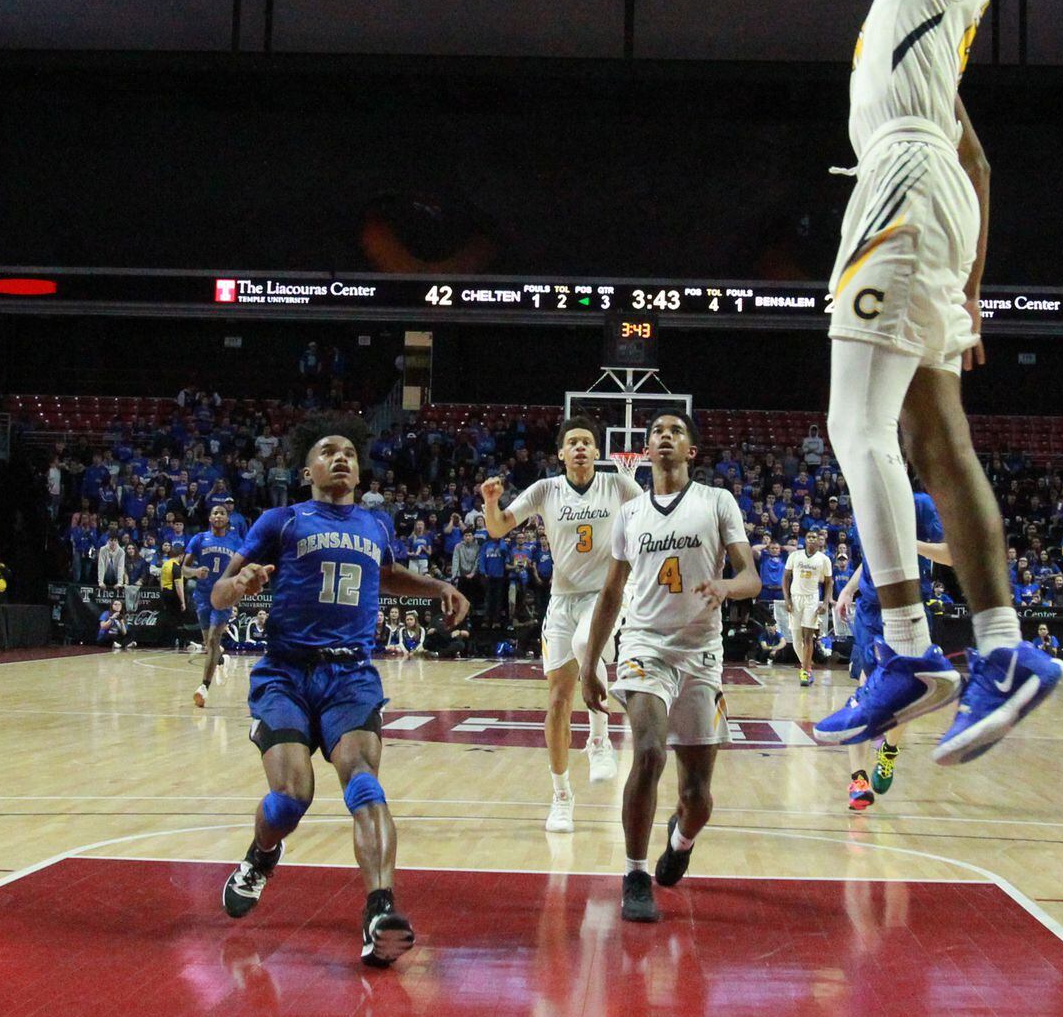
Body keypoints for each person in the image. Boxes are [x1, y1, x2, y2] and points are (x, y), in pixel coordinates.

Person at [815, 0, 1063, 765]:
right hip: (930, 186)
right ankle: (1000, 646)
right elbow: (979, 160)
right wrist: (969, 302)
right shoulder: (926, 19)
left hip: (900, 186)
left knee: (852, 420)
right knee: (933, 437)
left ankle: (904, 647)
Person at [209, 413, 469, 967]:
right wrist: (242, 582)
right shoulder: (281, 520)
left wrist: (438, 586)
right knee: (290, 798)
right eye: (328, 451)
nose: (341, 458)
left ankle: (380, 910)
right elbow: (218, 594)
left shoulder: (376, 526)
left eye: (349, 451)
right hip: (285, 672)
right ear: (307, 470)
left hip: (350, 674)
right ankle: (262, 855)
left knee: (364, 781)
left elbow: (388, 574)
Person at [579, 408, 760, 924]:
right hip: (643, 646)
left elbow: (752, 577)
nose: (664, 437)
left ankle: (680, 842)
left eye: (675, 432)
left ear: (691, 451)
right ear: (645, 449)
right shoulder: (630, 515)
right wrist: (591, 663)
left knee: (697, 797)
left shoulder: (717, 502)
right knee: (650, 752)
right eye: (657, 431)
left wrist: (727, 585)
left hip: (701, 654)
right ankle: (635, 873)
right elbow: (612, 592)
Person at [482, 416, 642, 833]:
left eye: (587, 442)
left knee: (588, 642)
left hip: (606, 595)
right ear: (561, 452)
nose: (581, 448)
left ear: (597, 451)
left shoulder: (618, 486)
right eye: (573, 442)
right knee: (557, 701)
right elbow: (498, 528)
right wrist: (490, 501)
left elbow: (651, 520)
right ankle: (561, 795)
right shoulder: (545, 489)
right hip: (562, 600)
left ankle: (599, 740)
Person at [835, 491, 949, 812]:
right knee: (865, 692)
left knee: (902, 695)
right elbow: (870, 558)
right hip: (870, 611)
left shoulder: (921, 504)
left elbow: (950, 554)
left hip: (909, 608)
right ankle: (858, 781)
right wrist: (847, 588)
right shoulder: (863, 503)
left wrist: (909, 544)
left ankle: (888, 753)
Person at [184, 504, 244, 709]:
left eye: (222, 513)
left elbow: (242, 571)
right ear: (210, 518)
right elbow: (183, 569)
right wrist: (195, 572)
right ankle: (221, 660)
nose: (218, 516)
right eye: (215, 513)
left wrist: (236, 591)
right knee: (209, 646)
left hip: (223, 596)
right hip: (202, 596)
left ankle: (203, 687)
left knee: (213, 639)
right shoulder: (199, 539)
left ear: (228, 519)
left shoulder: (236, 541)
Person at [783, 530, 834, 686]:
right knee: (796, 639)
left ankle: (805, 671)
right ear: (804, 540)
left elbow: (829, 582)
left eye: (815, 537)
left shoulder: (824, 559)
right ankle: (807, 667)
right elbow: (785, 577)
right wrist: (787, 599)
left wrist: (825, 603)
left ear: (820, 541)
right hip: (795, 597)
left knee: (807, 637)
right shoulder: (795, 556)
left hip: (811, 599)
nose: (812, 539)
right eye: (809, 537)